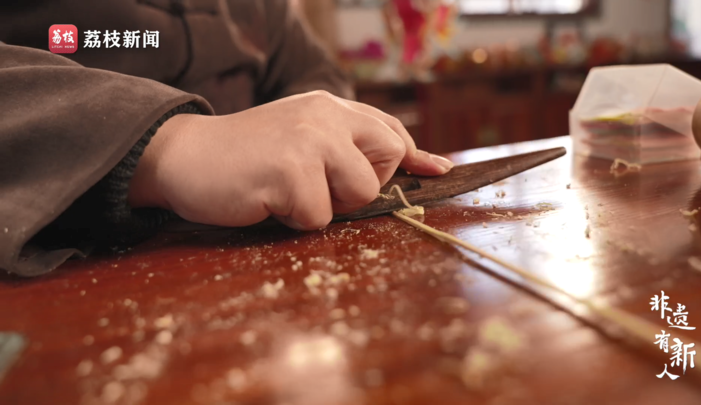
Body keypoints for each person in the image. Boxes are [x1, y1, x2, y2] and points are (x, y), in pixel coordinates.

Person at [0, 1, 453, 277]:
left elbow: (313, 72)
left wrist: (309, 143)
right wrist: (169, 146)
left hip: (254, 254)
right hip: (70, 264)